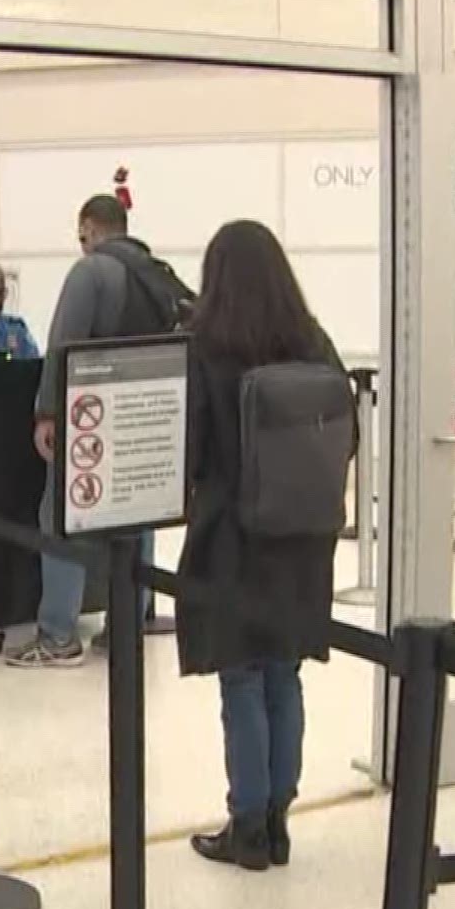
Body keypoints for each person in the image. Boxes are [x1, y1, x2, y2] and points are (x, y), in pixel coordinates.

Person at [176, 221, 348, 871]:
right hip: (305, 536)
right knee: (285, 672)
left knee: (241, 679)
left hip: (233, 534)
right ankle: (277, 819)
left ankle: (246, 825)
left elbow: (189, 450)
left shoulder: (206, 344)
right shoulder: (312, 338)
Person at [5, 194, 171, 669]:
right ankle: (127, 628)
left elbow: (65, 343)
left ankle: (58, 635)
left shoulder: (92, 271)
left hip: (93, 415)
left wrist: (47, 412)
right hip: (147, 417)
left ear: (88, 228)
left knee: (62, 516)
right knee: (137, 516)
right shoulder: (155, 273)